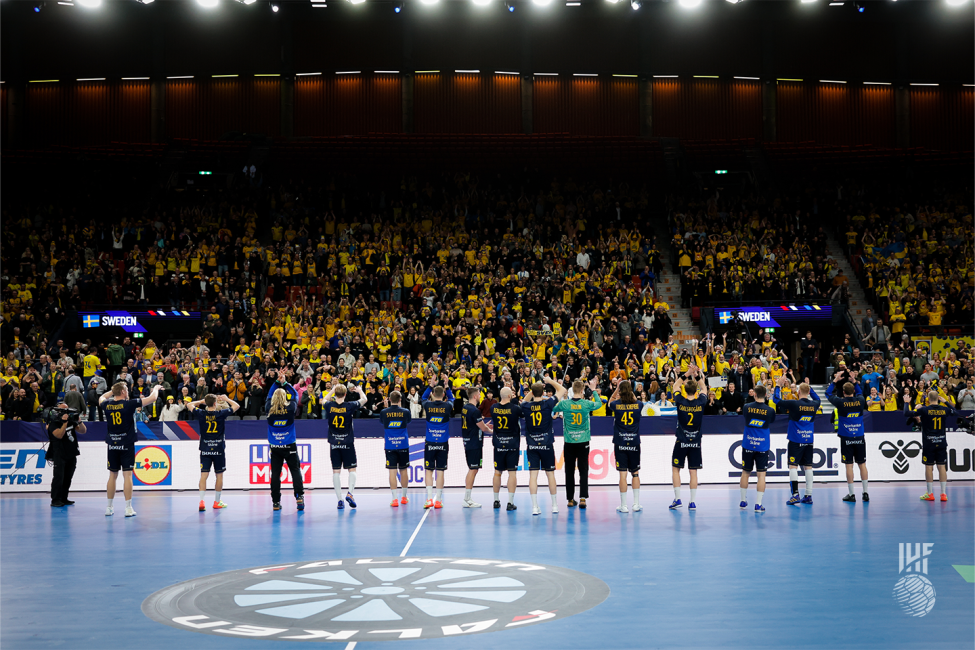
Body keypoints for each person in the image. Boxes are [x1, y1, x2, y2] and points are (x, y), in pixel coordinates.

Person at [99, 381, 162, 517]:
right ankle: (128, 508)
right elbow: (153, 398)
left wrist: (112, 390)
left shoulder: (107, 405)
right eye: (126, 389)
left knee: (112, 475)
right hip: (126, 443)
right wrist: (156, 388)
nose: (128, 391)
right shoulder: (129, 404)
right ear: (122, 392)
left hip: (112, 444)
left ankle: (109, 508)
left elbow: (101, 398)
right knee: (127, 475)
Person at [553, 377, 602, 509]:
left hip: (569, 441)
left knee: (569, 471)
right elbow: (599, 404)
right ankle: (582, 499)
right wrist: (593, 391)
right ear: (581, 391)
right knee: (583, 470)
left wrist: (558, 390)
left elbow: (552, 408)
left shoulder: (565, 404)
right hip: (583, 441)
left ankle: (570, 499)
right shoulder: (586, 403)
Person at [522, 376, 568, 515]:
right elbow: (563, 389)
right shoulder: (548, 404)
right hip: (547, 444)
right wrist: (548, 381)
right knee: (550, 475)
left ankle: (535, 507)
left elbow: (525, 400)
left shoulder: (525, 406)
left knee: (533, 476)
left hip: (532, 445)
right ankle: (554, 506)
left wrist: (535, 389)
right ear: (543, 392)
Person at [773, 377, 821, 506]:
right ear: (809, 392)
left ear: (798, 392)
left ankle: (795, 495)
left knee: (793, 466)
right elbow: (818, 399)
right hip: (809, 440)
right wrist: (810, 389)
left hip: (796, 439)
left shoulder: (794, 403)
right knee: (808, 466)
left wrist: (778, 386)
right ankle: (808, 495)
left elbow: (776, 400)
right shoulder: (814, 404)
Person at [187, 393, 239, 512]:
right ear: (215, 404)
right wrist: (226, 399)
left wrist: (201, 401)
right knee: (219, 475)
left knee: (203, 475)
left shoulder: (201, 413)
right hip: (218, 449)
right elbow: (236, 406)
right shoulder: (221, 414)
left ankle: (201, 501)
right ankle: (216, 502)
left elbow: (189, 404)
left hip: (205, 448)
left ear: (207, 403)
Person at [906, 391, 958, 502]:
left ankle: (930, 494)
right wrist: (946, 402)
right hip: (941, 441)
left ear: (928, 399)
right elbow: (956, 412)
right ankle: (943, 494)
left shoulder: (924, 410)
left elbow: (906, 414)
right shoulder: (944, 409)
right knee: (942, 466)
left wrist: (906, 403)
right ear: (938, 399)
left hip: (929, 443)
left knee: (929, 467)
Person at [322, 382, 366, 509]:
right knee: (352, 469)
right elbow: (364, 399)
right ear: (346, 394)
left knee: (336, 471)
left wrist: (332, 390)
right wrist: (359, 390)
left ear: (335, 394)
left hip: (334, 443)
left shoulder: (329, 405)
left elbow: (324, 399)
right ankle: (350, 493)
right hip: (347, 442)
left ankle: (340, 500)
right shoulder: (349, 405)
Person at [826, 375, 869, 503]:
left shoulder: (840, 402)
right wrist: (855, 381)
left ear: (843, 392)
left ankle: (852, 494)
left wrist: (835, 381)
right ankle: (865, 493)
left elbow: (827, 393)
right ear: (853, 391)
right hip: (860, 437)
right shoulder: (860, 400)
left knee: (849, 466)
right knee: (862, 464)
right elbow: (860, 392)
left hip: (847, 438)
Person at [265, 382, 303, 512]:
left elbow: (269, 395)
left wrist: (276, 383)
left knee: (275, 474)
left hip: (275, 447)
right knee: (295, 471)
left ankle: (276, 502)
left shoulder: (268, 410)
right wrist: (285, 383)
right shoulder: (291, 408)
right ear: (285, 398)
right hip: (290, 446)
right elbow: (295, 394)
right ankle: (299, 497)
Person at [738, 385, 776, 513]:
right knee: (761, 476)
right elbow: (772, 421)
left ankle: (743, 501)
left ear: (754, 394)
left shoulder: (746, 407)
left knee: (745, 473)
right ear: (766, 395)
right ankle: (758, 504)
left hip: (748, 444)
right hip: (762, 446)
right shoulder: (770, 410)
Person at [671, 376, 706, 511]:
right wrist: (697, 375)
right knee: (693, 472)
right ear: (696, 391)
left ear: (684, 391)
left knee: (676, 469)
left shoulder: (680, 401)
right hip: (696, 441)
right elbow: (704, 388)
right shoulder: (701, 402)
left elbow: (675, 386)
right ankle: (692, 502)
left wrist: (687, 373)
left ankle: (678, 499)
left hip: (681, 440)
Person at [608, 379, 643, 513]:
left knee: (622, 475)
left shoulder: (616, 405)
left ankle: (623, 506)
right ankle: (636, 504)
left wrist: (617, 389)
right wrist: (628, 390)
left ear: (620, 392)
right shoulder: (639, 405)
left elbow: (610, 402)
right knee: (635, 473)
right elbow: (635, 400)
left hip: (620, 442)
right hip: (634, 442)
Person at [47, 403, 87, 507]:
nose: (66, 413)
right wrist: (64, 423)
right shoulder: (53, 423)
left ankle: (64, 498)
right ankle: (55, 499)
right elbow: (59, 435)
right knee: (58, 477)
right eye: (63, 411)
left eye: (67, 410)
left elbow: (83, 431)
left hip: (71, 452)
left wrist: (79, 421)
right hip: (59, 453)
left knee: (68, 477)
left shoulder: (71, 421)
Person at [490, 387, 523, 511]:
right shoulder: (515, 409)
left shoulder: (493, 408)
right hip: (512, 444)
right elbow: (522, 413)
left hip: (499, 443)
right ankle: (510, 502)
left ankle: (496, 501)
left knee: (497, 472)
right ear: (510, 396)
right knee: (512, 473)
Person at [461, 386, 493, 508]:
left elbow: (477, 424)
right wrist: (492, 431)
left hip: (469, 441)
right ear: (475, 396)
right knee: (473, 469)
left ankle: (467, 498)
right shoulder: (475, 410)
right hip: (474, 443)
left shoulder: (465, 408)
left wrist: (484, 425)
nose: (480, 396)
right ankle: (467, 499)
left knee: (472, 469)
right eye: (479, 394)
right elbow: (483, 428)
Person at [379, 390, 412, 507]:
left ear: (389, 399)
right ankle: (404, 497)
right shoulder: (405, 411)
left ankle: (394, 499)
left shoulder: (384, 412)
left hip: (390, 446)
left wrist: (387, 408)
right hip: (403, 445)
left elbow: (383, 422)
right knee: (403, 471)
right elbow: (408, 421)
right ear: (400, 400)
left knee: (392, 472)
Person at [421, 385, 452, 509]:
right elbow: (452, 398)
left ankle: (429, 499)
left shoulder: (428, 405)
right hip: (443, 443)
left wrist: (429, 386)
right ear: (443, 395)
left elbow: (423, 397)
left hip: (430, 442)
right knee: (440, 472)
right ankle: (438, 500)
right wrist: (448, 387)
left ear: (433, 394)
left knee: (429, 471)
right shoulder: (448, 406)